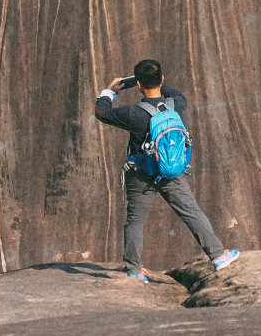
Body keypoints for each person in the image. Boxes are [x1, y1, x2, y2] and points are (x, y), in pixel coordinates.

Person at [94, 59, 241, 283]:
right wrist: (158, 83)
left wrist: (109, 91)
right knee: (191, 212)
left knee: (135, 221)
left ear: (140, 85)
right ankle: (218, 256)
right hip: (172, 171)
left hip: (141, 174)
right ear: (161, 80)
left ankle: (134, 270)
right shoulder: (176, 105)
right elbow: (179, 94)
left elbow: (102, 113)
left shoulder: (133, 114)